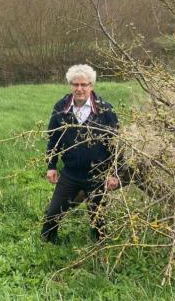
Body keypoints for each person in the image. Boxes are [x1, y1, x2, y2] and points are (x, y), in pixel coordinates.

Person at [41, 64, 120, 244]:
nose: (79, 89)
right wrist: (51, 166)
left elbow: (116, 144)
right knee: (53, 213)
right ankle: (48, 243)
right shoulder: (61, 108)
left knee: (99, 219)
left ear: (91, 85)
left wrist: (114, 173)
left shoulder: (105, 110)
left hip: (97, 174)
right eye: (75, 85)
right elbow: (54, 139)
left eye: (84, 85)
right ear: (70, 85)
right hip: (71, 173)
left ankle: (99, 249)